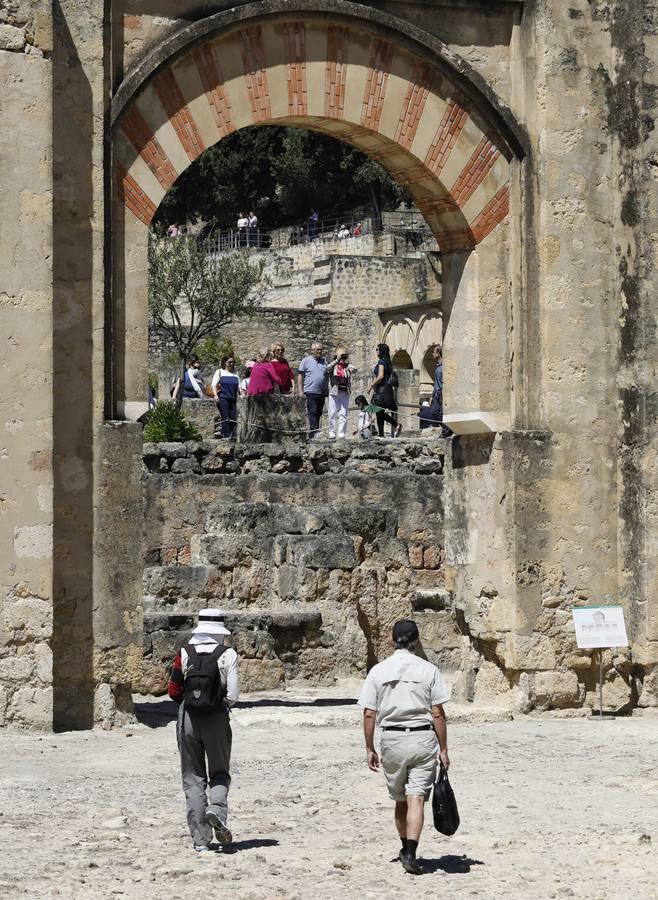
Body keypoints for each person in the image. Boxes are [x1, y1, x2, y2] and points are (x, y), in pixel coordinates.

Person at [358, 619, 450, 876]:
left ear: (391, 639)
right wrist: (443, 749)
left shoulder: (378, 671)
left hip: (392, 740)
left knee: (400, 800)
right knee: (417, 797)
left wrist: (369, 747)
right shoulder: (429, 670)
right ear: (416, 641)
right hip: (422, 740)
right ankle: (411, 851)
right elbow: (438, 714)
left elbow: (368, 714)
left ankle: (403, 847)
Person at [167, 608, 239, 852]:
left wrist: (192, 706)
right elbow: (233, 695)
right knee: (219, 772)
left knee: (193, 777)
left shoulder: (184, 653)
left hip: (188, 718)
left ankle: (201, 841)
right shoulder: (228, 654)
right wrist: (214, 706)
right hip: (217, 717)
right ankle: (216, 810)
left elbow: (174, 690)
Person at [368, 343, 401, 438]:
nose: (376, 351)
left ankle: (396, 425)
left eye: (377, 350)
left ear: (381, 351)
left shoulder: (381, 362)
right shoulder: (388, 363)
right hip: (387, 390)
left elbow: (380, 376)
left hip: (382, 391)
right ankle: (381, 434)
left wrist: (371, 385)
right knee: (379, 412)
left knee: (379, 411)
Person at [297, 342, 328, 439]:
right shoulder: (306, 361)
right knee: (313, 411)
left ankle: (314, 433)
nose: (319, 351)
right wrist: (300, 390)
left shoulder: (324, 361)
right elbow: (300, 376)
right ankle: (314, 431)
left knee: (318, 412)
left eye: (321, 349)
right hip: (310, 391)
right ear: (313, 350)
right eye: (317, 349)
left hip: (321, 392)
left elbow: (326, 375)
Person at [327, 348, 356, 439]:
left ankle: (341, 432)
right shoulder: (333, 365)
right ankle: (332, 432)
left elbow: (355, 370)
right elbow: (327, 369)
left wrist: (351, 368)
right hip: (334, 391)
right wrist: (337, 360)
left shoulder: (347, 366)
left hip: (344, 391)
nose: (343, 359)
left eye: (344, 356)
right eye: (341, 356)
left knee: (344, 412)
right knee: (332, 412)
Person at [211, 356, 240, 439]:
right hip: (223, 398)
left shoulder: (235, 374)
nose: (232, 364)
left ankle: (233, 437)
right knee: (226, 417)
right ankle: (226, 437)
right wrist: (215, 395)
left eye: (233, 362)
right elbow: (213, 385)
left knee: (234, 419)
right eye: (229, 362)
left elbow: (239, 387)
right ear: (225, 363)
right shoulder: (219, 372)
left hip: (233, 399)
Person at [429, 344, 452, 437]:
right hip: (437, 394)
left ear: (439, 353)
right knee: (434, 412)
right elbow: (436, 382)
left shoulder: (444, 366)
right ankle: (447, 428)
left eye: (434, 352)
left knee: (443, 412)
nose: (432, 354)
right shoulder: (438, 365)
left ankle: (446, 431)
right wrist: (432, 396)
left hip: (443, 393)